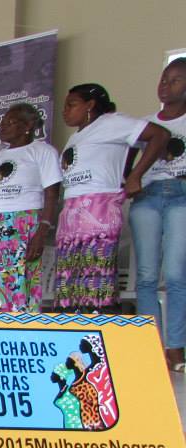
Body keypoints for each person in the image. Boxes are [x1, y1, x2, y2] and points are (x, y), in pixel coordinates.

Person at [55, 83, 168, 313]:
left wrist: (135, 175)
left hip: (97, 212)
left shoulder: (111, 123)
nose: (65, 111)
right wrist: (126, 172)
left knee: (95, 283)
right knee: (71, 286)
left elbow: (160, 134)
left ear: (90, 105)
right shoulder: (76, 136)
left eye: (71, 105)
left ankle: (98, 337)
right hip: (71, 215)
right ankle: (73, 334)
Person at [128, 59, 186, 371]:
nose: (167, 85)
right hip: (147, 198)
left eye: (176, 80)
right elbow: (126, 164)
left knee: (176, 275)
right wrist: (129, 183)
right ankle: (149, 344)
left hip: (181, 196)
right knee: (147, 276)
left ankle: (176, 347)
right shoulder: (145, 124)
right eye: (164, 78)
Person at [0, 104, 62, 313]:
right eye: (2, 123)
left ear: (28, 125)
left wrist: (42, 232)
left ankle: (18, 330)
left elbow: (52, 195)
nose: (3, 127)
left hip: (21, 223)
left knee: (17, 280)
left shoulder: (43, 151)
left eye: (10, 122)